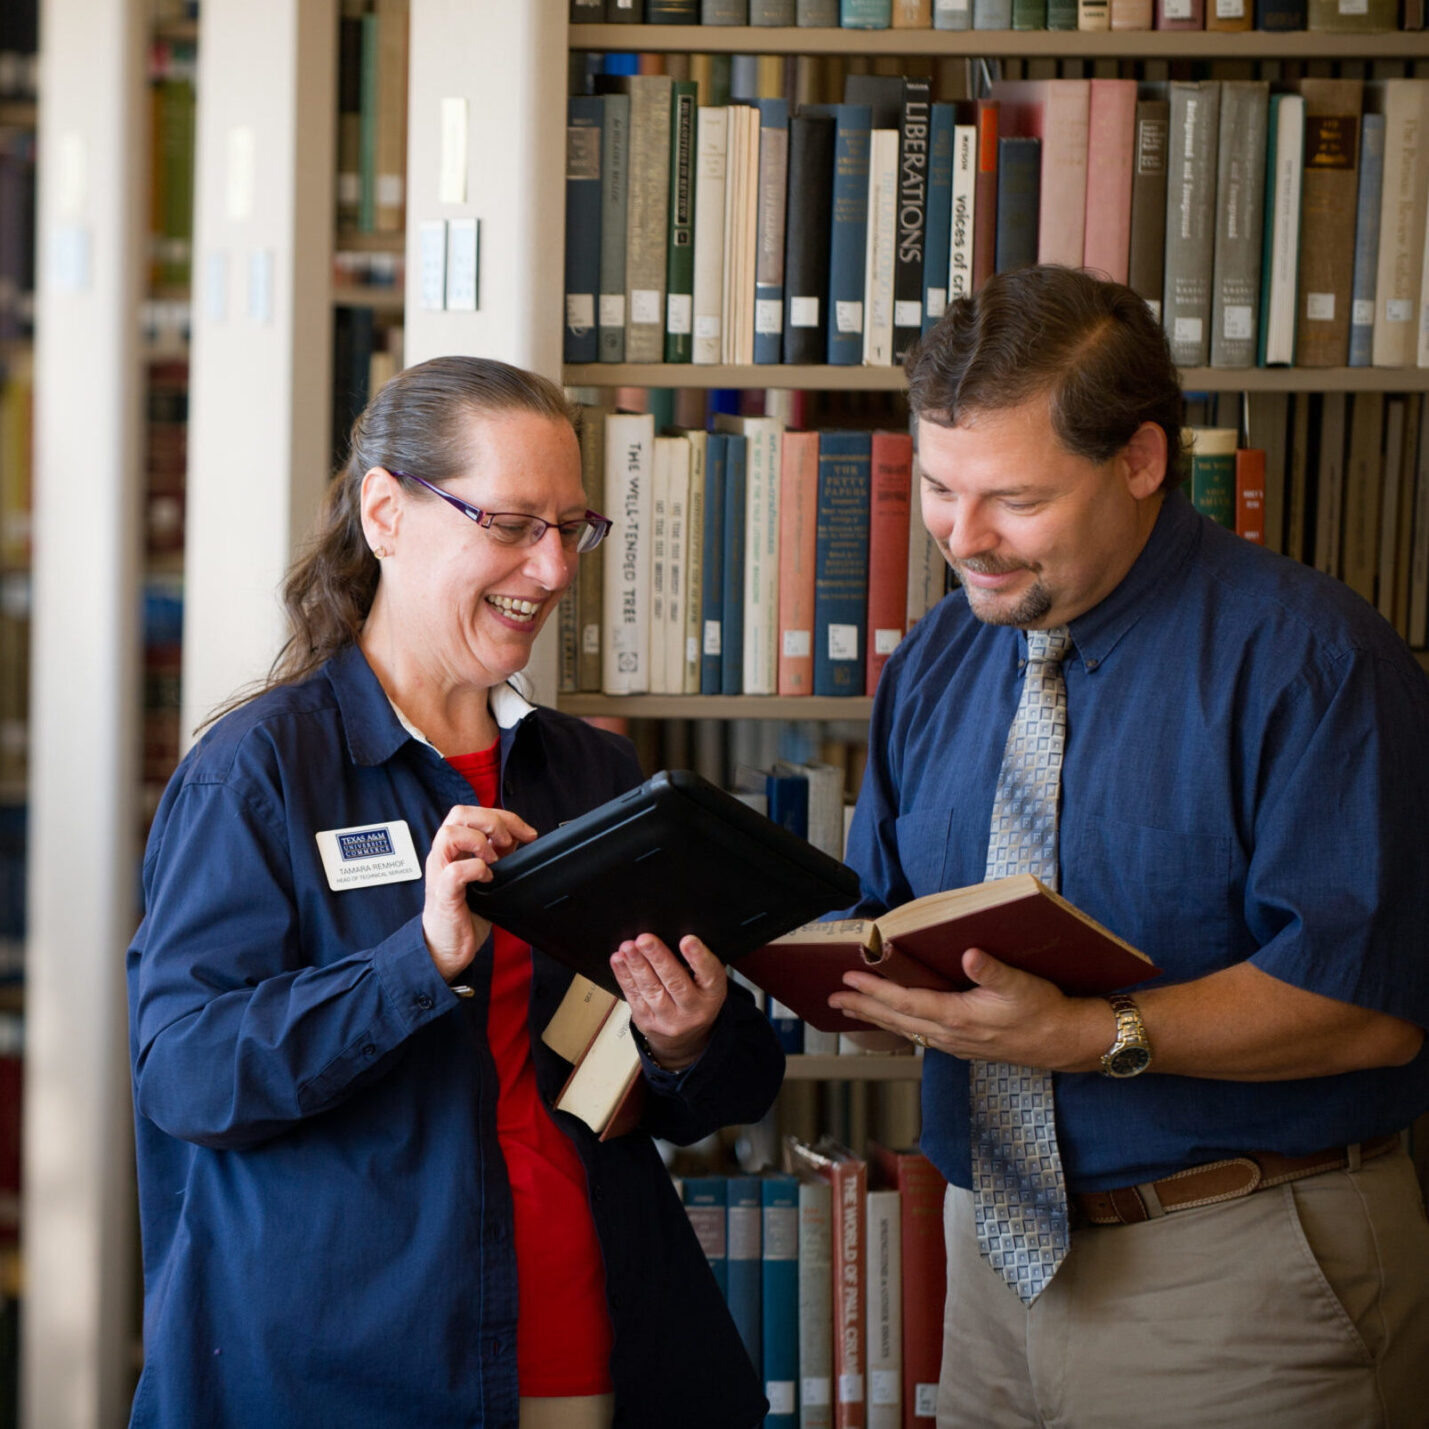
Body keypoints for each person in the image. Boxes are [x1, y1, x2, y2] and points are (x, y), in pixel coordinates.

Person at [125, 355, 784, 1429]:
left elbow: (717, 1088)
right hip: (350, 1373)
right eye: (513, 523)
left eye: (571, 527)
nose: (554, 567)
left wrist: (685, 1039)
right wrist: (414, 962)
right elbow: (188, 1074)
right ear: (385, 513)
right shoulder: (261, 772)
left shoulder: (590, 773)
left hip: (590, 1345)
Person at [828, 265, 1429, 1428]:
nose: (965, 538)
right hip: (988, 1261)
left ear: (1142, 461)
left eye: (1014, 499)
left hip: (1241, 1263)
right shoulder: (942, 656)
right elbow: (886, 912)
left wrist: (1088, 1035)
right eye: (942, 491)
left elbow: (1370, 1004)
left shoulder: (1314, 662)